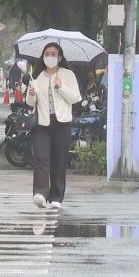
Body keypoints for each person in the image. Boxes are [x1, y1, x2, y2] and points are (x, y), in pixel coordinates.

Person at [26, 43, 81, 210]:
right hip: (42, 124)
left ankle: (56, 196)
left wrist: (61, 86)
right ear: (43, 57)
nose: (50, 57)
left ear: (60, 57)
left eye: (53, 54)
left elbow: (75, 98)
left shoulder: (68, 74)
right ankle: (41, 193)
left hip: (62, 123)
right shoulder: (37, 77)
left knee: (59, 160)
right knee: (42, 159)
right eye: (47, 54)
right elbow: (30, 104)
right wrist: (31, 94)